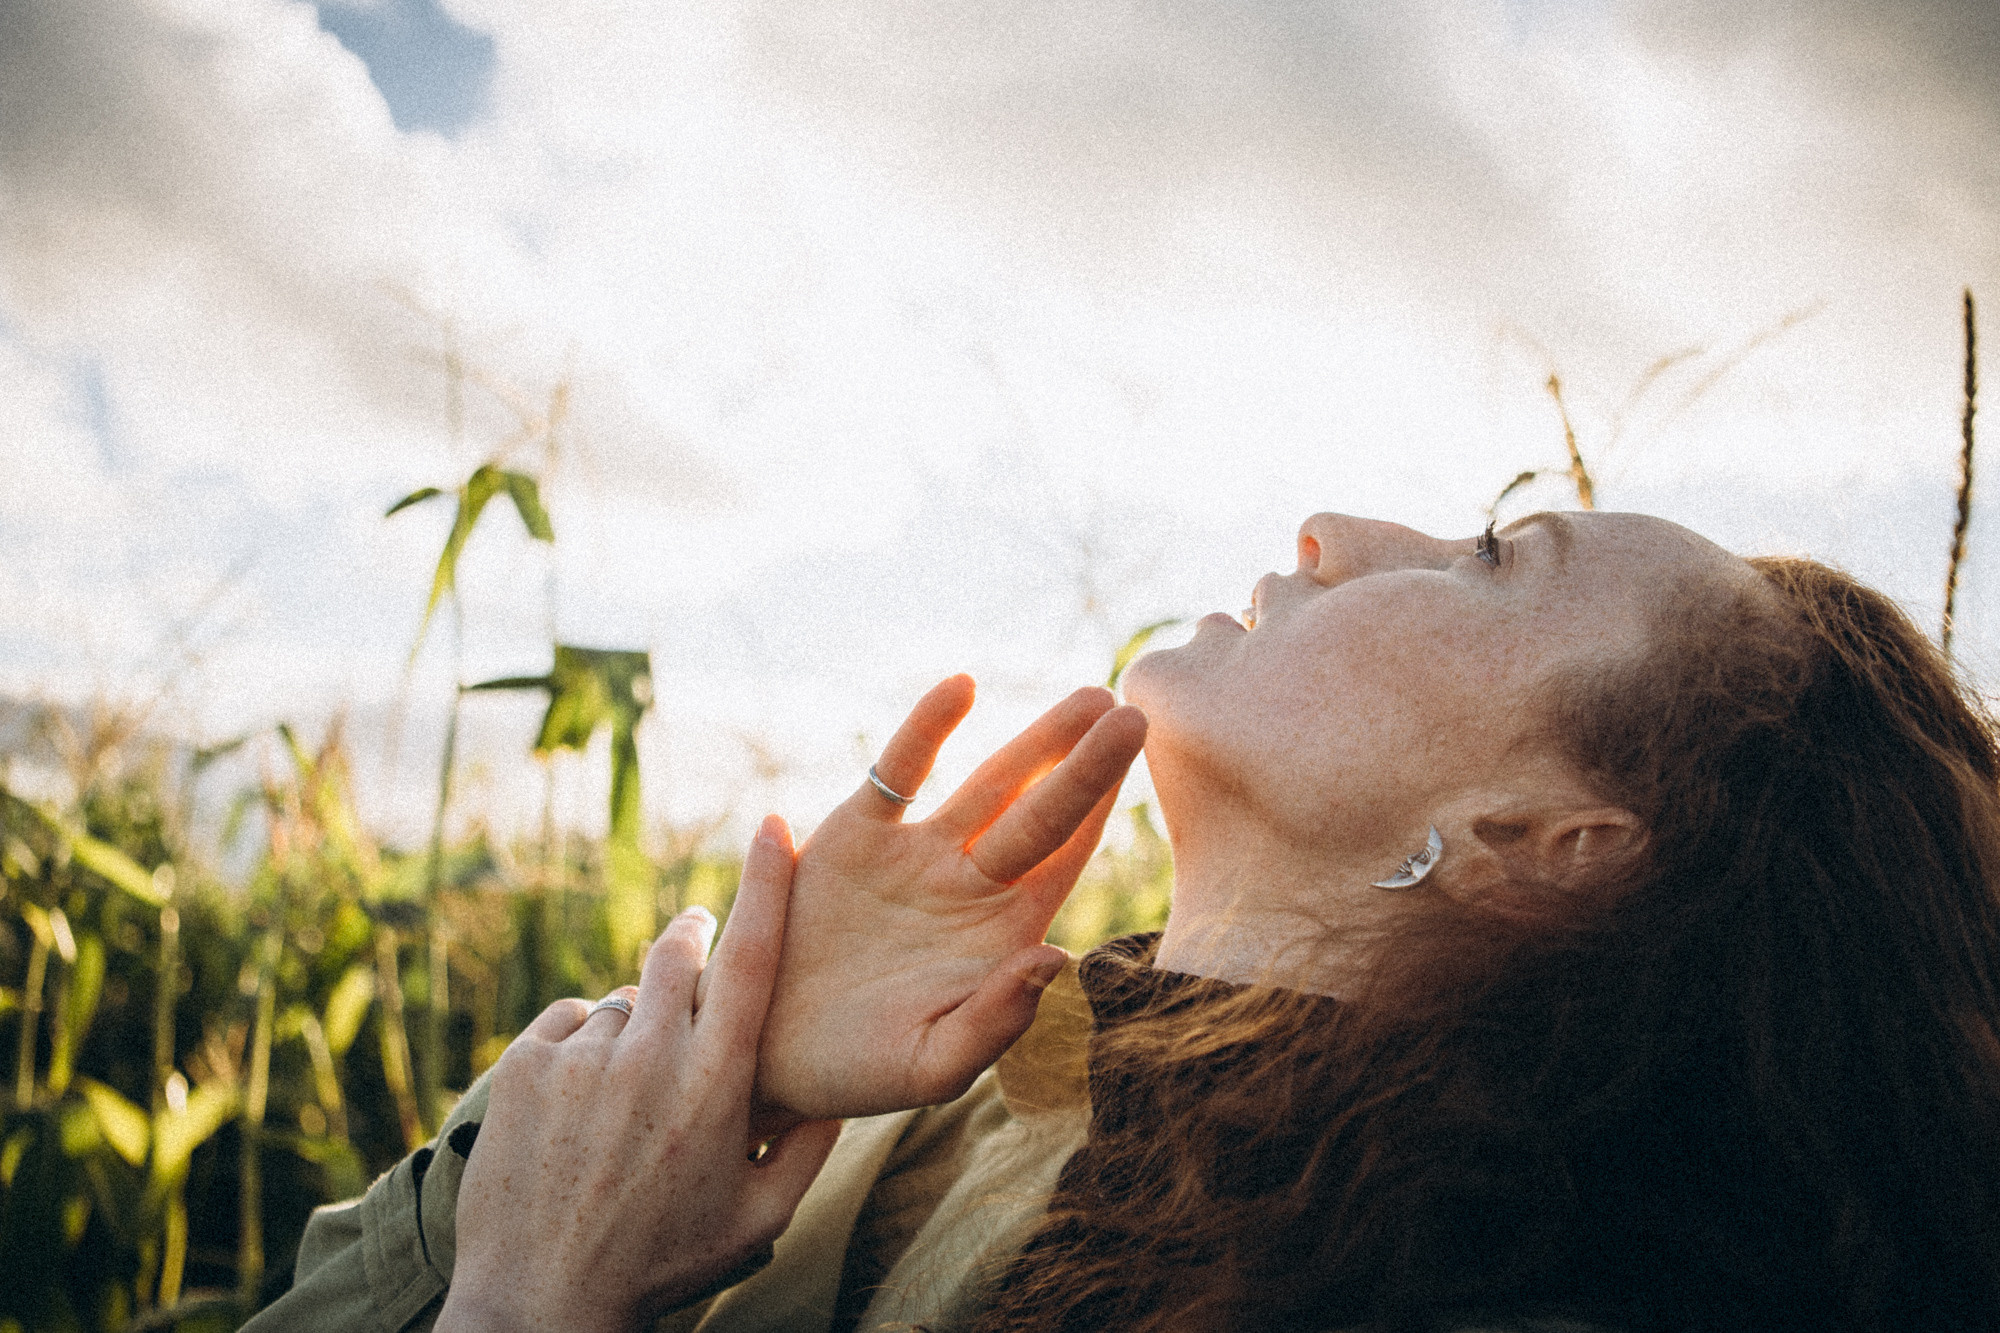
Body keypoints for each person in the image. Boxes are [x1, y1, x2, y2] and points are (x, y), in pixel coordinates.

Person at [247, 511, 2000, 1333]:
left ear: (1535, 838)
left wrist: (535, 1312)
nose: (1338, 528)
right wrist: (740, 1067)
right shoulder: (954, 1083)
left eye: (1487, 555)